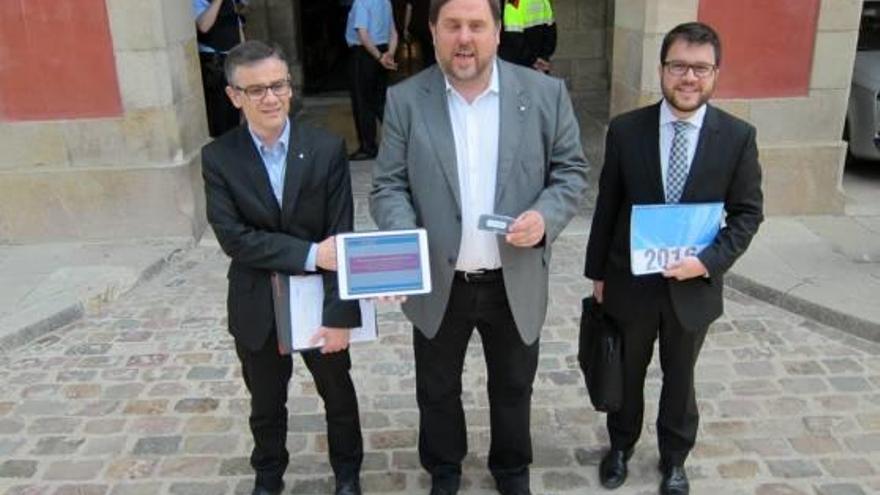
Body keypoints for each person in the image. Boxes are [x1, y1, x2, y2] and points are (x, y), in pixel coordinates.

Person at [370, 0, 588, 492]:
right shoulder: (406, 99)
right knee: (437, 388)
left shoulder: (544, 93)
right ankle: (444, 469)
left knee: (513, 387)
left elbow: (570, 171)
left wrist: (546, 216)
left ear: (495, 32)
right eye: (452, 26)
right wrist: (403, 243)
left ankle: (511, 469)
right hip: (438, 278)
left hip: (512, 278)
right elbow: (388, 186)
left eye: (475, 25)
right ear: (432, 31)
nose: (464, 38)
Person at [584, 22, 763, 495]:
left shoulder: (738, 137)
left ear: (715, 73)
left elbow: (747, 214)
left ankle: (675, 458)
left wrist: (707, 262)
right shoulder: (626, 130)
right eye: (679, 66)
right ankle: (620, 446)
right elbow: (608, 205)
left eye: (700, 68)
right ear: (662, 70)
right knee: (627, 370)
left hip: (693, 286)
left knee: (680, 380)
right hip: (631, 282)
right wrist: (597, 273)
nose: (689, 77)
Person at [201, 40, 364, 495]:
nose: (270, 98)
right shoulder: (219, 158)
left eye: (278, 86)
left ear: (290, 88)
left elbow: (341, 236)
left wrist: (339, 317)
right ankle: (268, 477)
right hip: (257, 303)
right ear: (235, 96)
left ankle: (348, 475)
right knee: (266, 404)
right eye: (255, 91)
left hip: (319, 301)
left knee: (339, 397)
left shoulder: (327, 148)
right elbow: (234, 239)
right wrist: (310, 254)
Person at [345, 0, 399, 161]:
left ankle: (368, 147)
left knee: (362, 102)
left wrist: (379, 57)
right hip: (382, 49)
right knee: (379, 101)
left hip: (365, 53)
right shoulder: (386, 2)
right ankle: (400, 142)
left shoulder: (361, 3)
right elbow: (393, 32)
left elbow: (363, 34)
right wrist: (389, 53)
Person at [193, 0, 244, 137]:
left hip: (233, 61)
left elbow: (237, 26)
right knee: (220, 119)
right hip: (214, 64)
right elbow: (203, 26)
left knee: (236, 113)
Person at [498, 0, 556, 73]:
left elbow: (513, 37)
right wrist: (543, 57)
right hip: (540, 66)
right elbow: (551, 33)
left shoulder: (514, 2)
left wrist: (533, 60)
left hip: (519, 66)